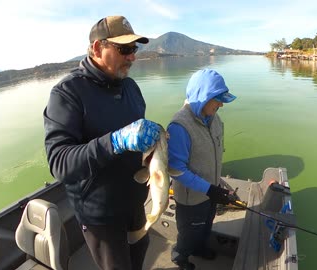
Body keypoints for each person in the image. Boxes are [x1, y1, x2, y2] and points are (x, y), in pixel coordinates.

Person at [43, 15, 161, 270]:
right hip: (101, 215)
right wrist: (116, 141)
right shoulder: (66, 93)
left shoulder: (130, 87)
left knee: (140, 250)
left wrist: (153, 149)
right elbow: (59, 162)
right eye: (124, 49)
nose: (133, 56)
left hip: (135, 202)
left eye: (134, 48)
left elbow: (137, 142)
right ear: (98, 48)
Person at [167, 69, 236, 270]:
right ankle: (180, 258)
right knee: (189, 232)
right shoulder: (179, 126)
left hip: (211, 191)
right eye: (217, 99)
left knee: (206, 225)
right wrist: (208, 189)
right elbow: (175, 168)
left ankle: (199, 249)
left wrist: (217, 186)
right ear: (202, 96)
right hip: (191, 199)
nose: (221, 104)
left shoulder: (216, 119)